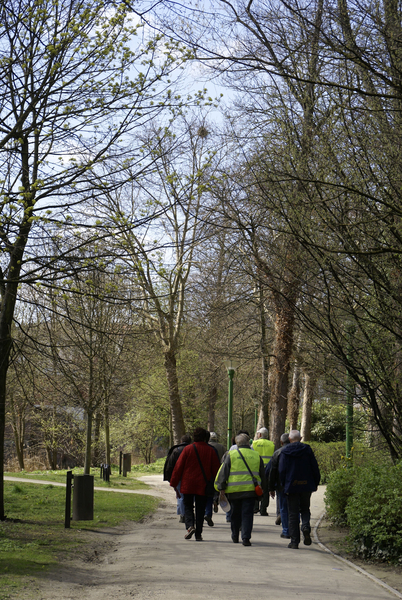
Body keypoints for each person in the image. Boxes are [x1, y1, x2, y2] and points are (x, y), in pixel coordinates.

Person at [215, 432, 266, 546]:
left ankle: (234, 535)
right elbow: (263, 474)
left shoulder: (231, 455)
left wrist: (221, 487)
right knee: (247, 514)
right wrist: (264, 489)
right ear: (248, 443)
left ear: (237, 443)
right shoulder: (256, 455)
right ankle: (246, 538)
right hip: (250, 491)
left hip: (234, 491)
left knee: (235, 513)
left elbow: (224, 472)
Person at [170, 427, 221, 541]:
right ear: (205, 437)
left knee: (188, 506)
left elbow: (178, 468)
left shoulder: (187, 449)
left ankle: (190, 526)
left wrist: (174, 483)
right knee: (200, 509)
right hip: (203, 485)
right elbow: (216, 470)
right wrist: (219, 486)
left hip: (188, 484)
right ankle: (198, 533)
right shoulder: (211, 451)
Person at [278, 429, 321, 549]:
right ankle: (306, 526)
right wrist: (315, 483)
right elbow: (314, 467)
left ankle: (294, 541)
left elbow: (281, 470)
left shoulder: (285, 451)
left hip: (291, 486)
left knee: (293, 513)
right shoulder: (307, 449)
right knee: (305, 509)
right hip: (306, 485)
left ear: (290, 439)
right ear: (300, 438)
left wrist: (283, 485)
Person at [163, 434, 192, 523]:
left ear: (181, 441)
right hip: (190, 477)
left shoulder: (176, 450)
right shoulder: (192, 450)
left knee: (180, 496)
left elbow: (170, 465)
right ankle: (188, 513)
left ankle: (182, 514)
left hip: (179, 477)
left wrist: (170, 478)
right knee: (189, 496)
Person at [268, 432, 290, 538]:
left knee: (283, 508)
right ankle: (296, 529)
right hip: (296, 485)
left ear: (281, 442)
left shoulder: (277, 453)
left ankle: (286, 531)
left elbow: (273, 471)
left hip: (281, 486)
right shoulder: (297, 451)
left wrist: (271, 488)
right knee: (295, 507)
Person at [204, 432, 226, 525]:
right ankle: (215, 500)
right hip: (219, 471)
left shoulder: (206, 447)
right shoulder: (221, 447)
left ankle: (207, 512)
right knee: (216, 489)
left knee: (207, 493)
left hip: (208, 472)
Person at [252, 427, 275, 516]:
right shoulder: (272, 444)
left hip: (257, 468)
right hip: (268, 470)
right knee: (266, 489)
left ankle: (255, 507)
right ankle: (263, 509)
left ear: (260, 435)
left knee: (256, 487)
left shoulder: (254, 443)